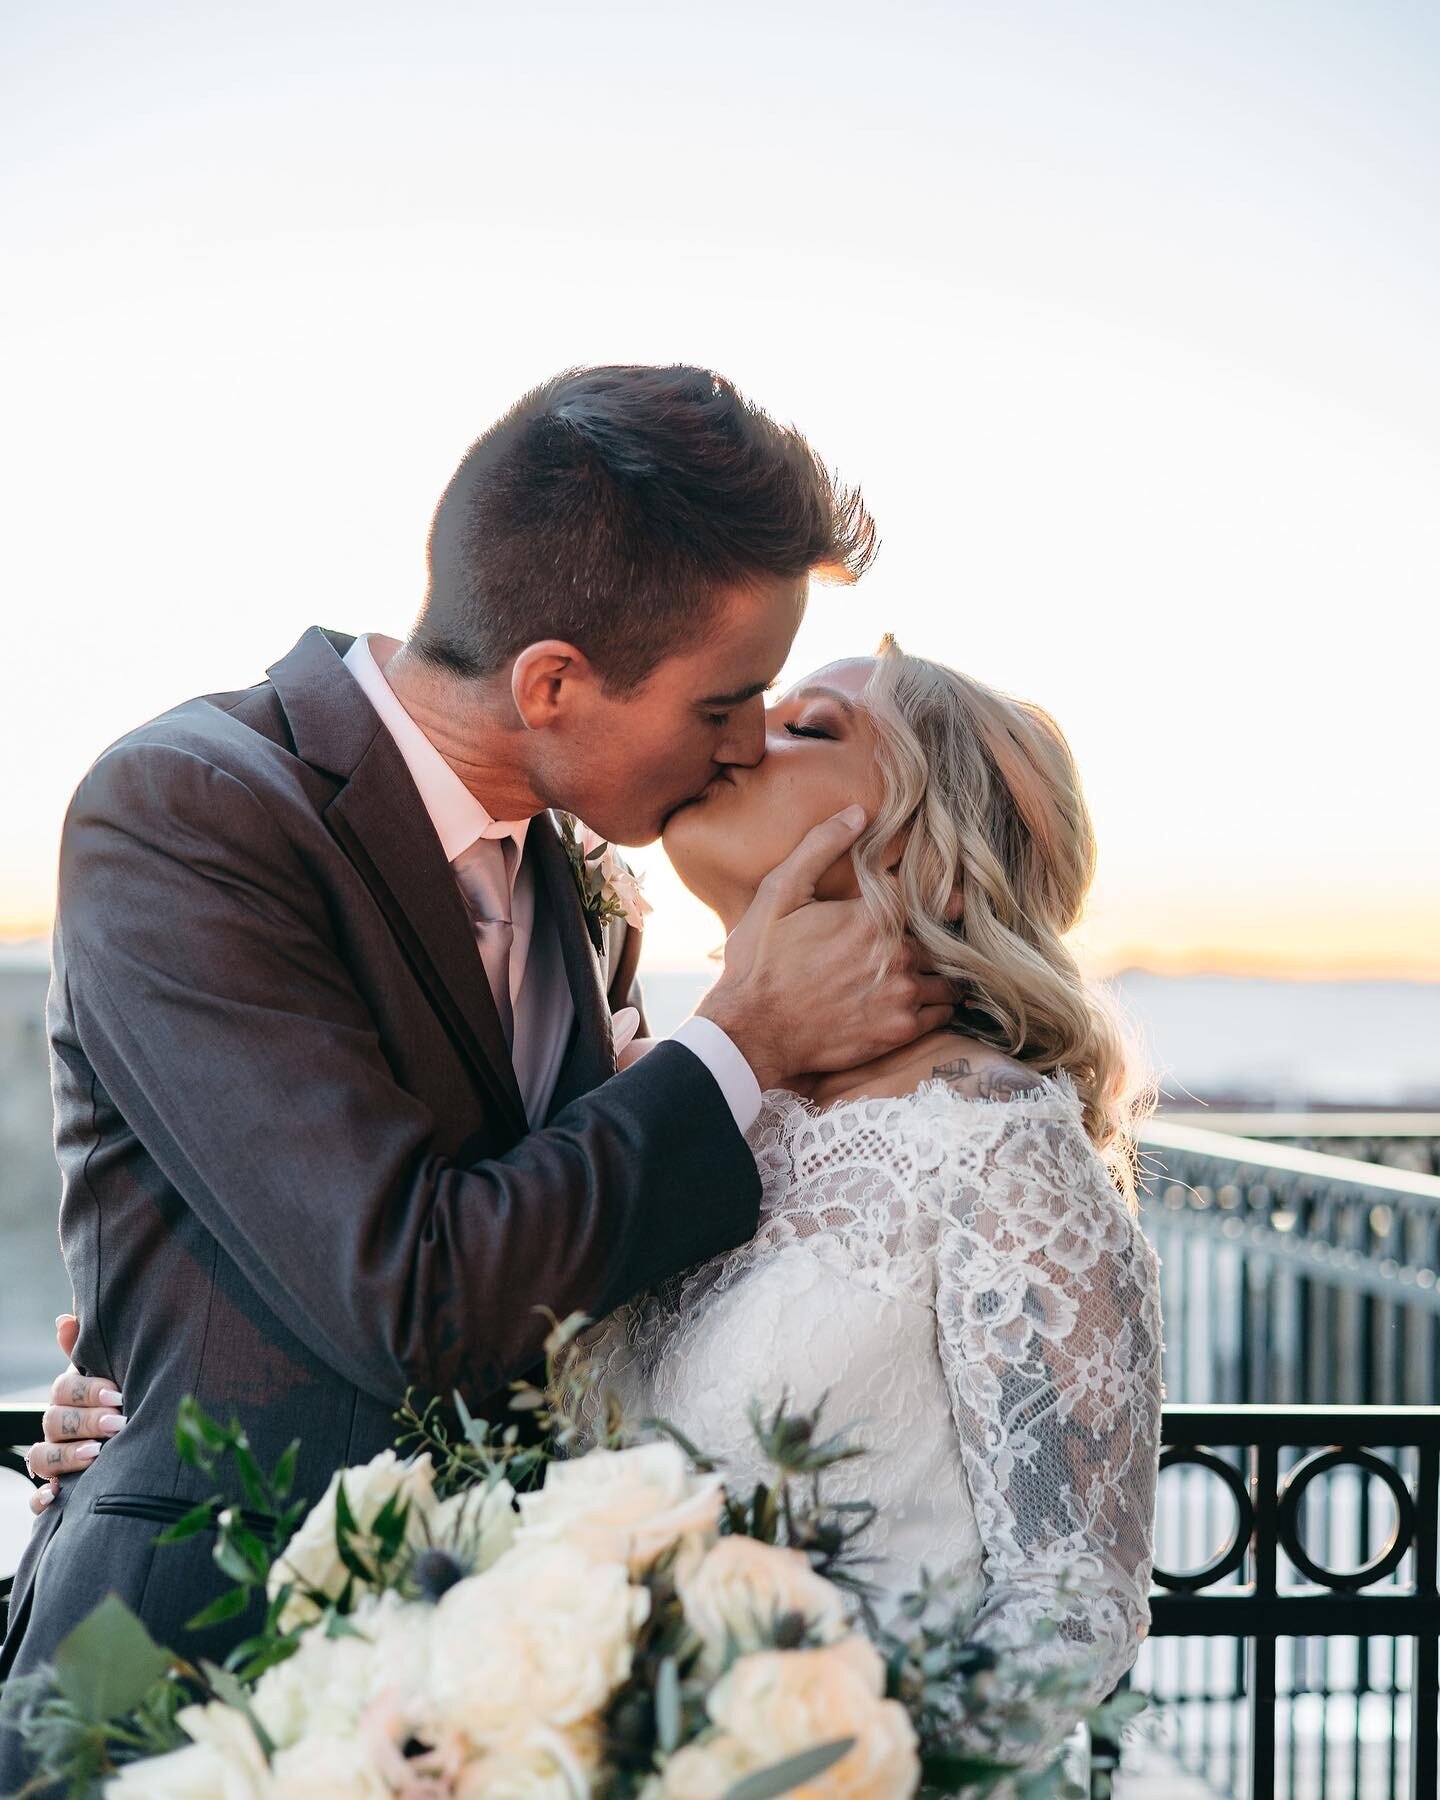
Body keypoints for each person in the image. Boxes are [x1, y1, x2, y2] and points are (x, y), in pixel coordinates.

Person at [0, 367, 952, 1779]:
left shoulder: (576, 876)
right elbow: (411, 1287)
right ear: (553, 681)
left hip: (497, 1695)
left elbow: (556, 1249)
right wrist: (736, 1045)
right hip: (191, 1677)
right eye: (725, 704)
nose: (749, 741)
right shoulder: (189, 807)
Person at [583, 640, 1164, 1765]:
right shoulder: (686, 1106)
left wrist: (828, 1776)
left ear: (932, 855)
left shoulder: (997, 1148)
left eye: (809, 727)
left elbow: (1072, 1608)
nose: (744, 736)